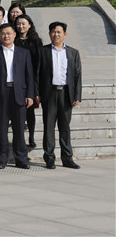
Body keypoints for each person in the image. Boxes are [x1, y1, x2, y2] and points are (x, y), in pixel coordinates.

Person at [36, 21, 82, 170]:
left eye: (59, 32)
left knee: (65, 128)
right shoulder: (42, 51)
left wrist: (77, 95)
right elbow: (37, 74)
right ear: (49, 34)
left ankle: (67, 158)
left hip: (66, 94)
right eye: (53, 32)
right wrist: (37, 93)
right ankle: (49, 158)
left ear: (65, 34)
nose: (56, 34)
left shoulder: (73, 53)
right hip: (49, 94)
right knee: (49, 127)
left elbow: (77, 76)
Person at [0, 24, 34, 170]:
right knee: (1, 129)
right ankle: (2, 159)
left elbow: (29, 75)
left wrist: (30, 94)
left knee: (19, 128)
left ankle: (21, 159)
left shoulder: (24, 53)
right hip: (0, 94)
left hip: (18, 93)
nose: (6, 36)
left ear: (14, 35)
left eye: (8, 33)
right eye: (3, 33)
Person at [14, 14, 42, 148]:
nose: (21, 26)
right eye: (18, 24)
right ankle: (19, 138)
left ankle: (31, 137)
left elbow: (39, 63)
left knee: (30, 111)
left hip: (31, 79)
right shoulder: (13, 40)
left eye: (23, 24)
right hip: (16, 79)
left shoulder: (36, 41)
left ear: (29, 25)